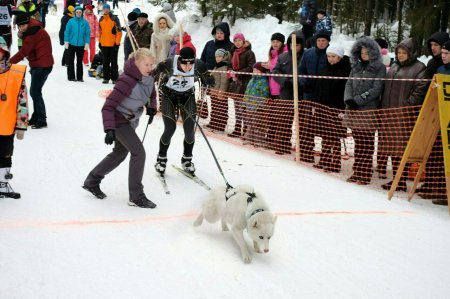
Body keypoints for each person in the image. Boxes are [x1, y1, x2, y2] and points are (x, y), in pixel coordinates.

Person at [83, 48, 157, 209]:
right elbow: (107, 107)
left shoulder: (148, 77)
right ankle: (136, 196)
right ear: (136, 63)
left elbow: (152, 93)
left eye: (152, 64)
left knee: (120, 153)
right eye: (146, 64)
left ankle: (92, 181)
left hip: (130, 122)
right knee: (139, 153)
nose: (150, 67)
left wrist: (151, 106)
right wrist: (109, 129)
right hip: (118, 120)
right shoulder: (126, 81)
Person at [153, 47, 214, 176]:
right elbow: (155, 72)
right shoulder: (170, 63)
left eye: (190, 63)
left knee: (190, 131)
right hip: (169, 96)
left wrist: (209, 80)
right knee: (170, 128)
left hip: (188, 97)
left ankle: (187, 160)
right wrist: (151, 77)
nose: (188, 66)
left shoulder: (198, 65)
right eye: (184, 63)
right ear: (179, 60)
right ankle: (161, 159)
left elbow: (207, 78)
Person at [379, 37, 427, 193]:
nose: (400, 55)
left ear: (411, 53)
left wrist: (407, 105)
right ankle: (396, 178)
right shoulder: (394, 66)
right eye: (398, 52)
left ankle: (401, 179)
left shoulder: (419, 68)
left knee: (401, 148)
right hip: (388, 112)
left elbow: (420, 90)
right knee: (392, 147)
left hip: (404, 115)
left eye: (403, 52)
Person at [343, 36, 386, 185]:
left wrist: (359, 100)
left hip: (368, 110)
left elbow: (376, 89)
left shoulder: (379, 68)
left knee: (366, 143)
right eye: (362, 53)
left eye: (367, 53)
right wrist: (348, 99)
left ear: (373, 53)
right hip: (353, 110)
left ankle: (365, 173)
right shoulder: (356, 66)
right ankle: (357, 171)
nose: (364, 56)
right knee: (357, 142)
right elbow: (349, 83)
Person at [416, 32, 450, 202]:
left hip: (446, 114)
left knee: (445, 153)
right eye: (433, 46)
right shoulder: (434, 65)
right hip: (433, 111)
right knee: (433, 150)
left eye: (438, 46)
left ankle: (444, 187)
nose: (435, 49)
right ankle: (432, 183)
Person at [312, 44, 351, 172]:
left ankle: (335, 161)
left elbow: (345, 90)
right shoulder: (324, 69)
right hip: (323, 107)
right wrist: (316, 105)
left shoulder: (345, 70)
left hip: (336, 108)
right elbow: (318, 88)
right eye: (329, 56)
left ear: (340, 56)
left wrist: (343, 109)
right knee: (325, 134)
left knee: (335, 136)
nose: (331, 59)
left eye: (334, 56)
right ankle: (325, 158)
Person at [10, 15, 53, 129]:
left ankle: (42, 119)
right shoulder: (32, 29)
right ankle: (36, 116)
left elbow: (23, 52)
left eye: (22, 26)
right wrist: (23, 35)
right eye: (19, 27)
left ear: (27, 23)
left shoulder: (33, 33)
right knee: (35, 92)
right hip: (40, 64)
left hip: (42, 65)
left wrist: (8, 63)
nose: (21, 28)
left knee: (35, 92)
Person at [0, 36, 28, 199]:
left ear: (5, 52)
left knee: (5, 154)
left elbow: (22, 101)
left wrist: (21, 125)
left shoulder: (16, 74)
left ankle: (3, 184)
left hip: (6, 124)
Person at [270, 30, 305, 154]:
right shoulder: (283, 57)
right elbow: (275, 72)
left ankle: (302, 150)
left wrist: (297, 82)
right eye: (292, 45)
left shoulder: (305, 57)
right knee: (283, 120)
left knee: (302, 124)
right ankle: (281, 145)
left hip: (301, 94)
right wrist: (285, 81)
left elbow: (307, 75)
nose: (294, 47)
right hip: (285, 93)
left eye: (297, 45)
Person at [297, 30, 329, 162]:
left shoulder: (331, 54)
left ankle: (325, 155)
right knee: (307, 123)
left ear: (328, 42)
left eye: (324, 41)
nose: (321, 43)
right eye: (319, 40)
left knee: (323, 124)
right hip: (308, 92)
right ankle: (306, 152)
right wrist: (305, 83)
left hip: (323, 94)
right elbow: (301, 70)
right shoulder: (308, 53)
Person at [226, 32, 256, 138]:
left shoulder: (249, 53)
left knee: (244, 108)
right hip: (235, 83)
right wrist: (231, 71)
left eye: (239, 40)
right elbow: (229, 64)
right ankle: (238, 128)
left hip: (245, 83)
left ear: (243, 41)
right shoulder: (233, 52)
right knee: (236, 107)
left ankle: (246, 129)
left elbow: (251, 67)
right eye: (235, 41)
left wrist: (238, 72)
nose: (237, 43)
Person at [241, 62, 270, 146]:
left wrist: (261, 105)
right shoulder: (252, 80)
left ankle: (259, 141)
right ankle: (250, 139)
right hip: (249, 106)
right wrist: (244, 103)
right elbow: (247, 92)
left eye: (257, 70)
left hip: (257, 107)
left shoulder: (263, 81)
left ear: (262, 71)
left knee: (257, 125)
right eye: (254, 70)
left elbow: (265, 94)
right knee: (250, 124)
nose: (255, 72)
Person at [64, 6, 90, 82]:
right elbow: (67, 32)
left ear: (82, 13)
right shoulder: (71, 21)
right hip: (71, 44)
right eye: (77, 12)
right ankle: (71, 77)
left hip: (81, 45)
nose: (78, 14)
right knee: (70, 61)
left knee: (79, 62)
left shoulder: (85, 22)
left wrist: (87, 43)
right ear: (75, 13)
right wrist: (66, 41)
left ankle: (79, 77)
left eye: (80, 12)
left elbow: (87, 34)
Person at [207, 48, 230, 132]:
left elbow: (224, 81)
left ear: (224, 57)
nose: (218, 58)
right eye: (216, 56)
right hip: (214, 91)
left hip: (220, 92)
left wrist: (221, 92)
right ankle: (213, 123)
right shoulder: (217, 66)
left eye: (220, 56)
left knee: (221, 110)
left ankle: (220, 126)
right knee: (215, 108)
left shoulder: (224, 66)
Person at [98, 3, 122, 84]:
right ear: (103, 9)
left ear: (109, 9)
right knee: (105, 62)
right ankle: (106, 77)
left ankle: (114, 78)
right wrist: (100, 42)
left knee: (114, 62)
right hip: (104, 44)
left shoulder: (114, 18)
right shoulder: (101, 19)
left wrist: (117, 43)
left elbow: (119, 32)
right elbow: (99, 32)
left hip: (113, 45)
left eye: (107, 8)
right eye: (104, 8)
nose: (106, 10)